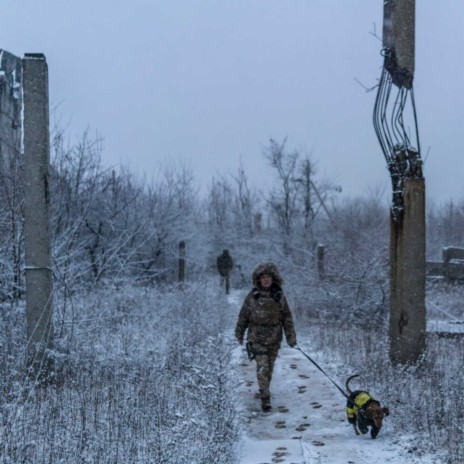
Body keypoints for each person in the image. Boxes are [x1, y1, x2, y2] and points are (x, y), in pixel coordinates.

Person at [235, 261, 297, 412]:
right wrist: (239, 333)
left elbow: (287, 318)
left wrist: (291, 338)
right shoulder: (253, 296)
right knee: (262, 367)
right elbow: (243, 315)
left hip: (274, 339)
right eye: (263, 277)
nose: (266, 280)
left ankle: (265, 389)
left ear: (273, 279)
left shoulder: (279, 296)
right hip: (256, 338)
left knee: (269, 368)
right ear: (258, 279)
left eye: (269, 277)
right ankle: (265, 398)